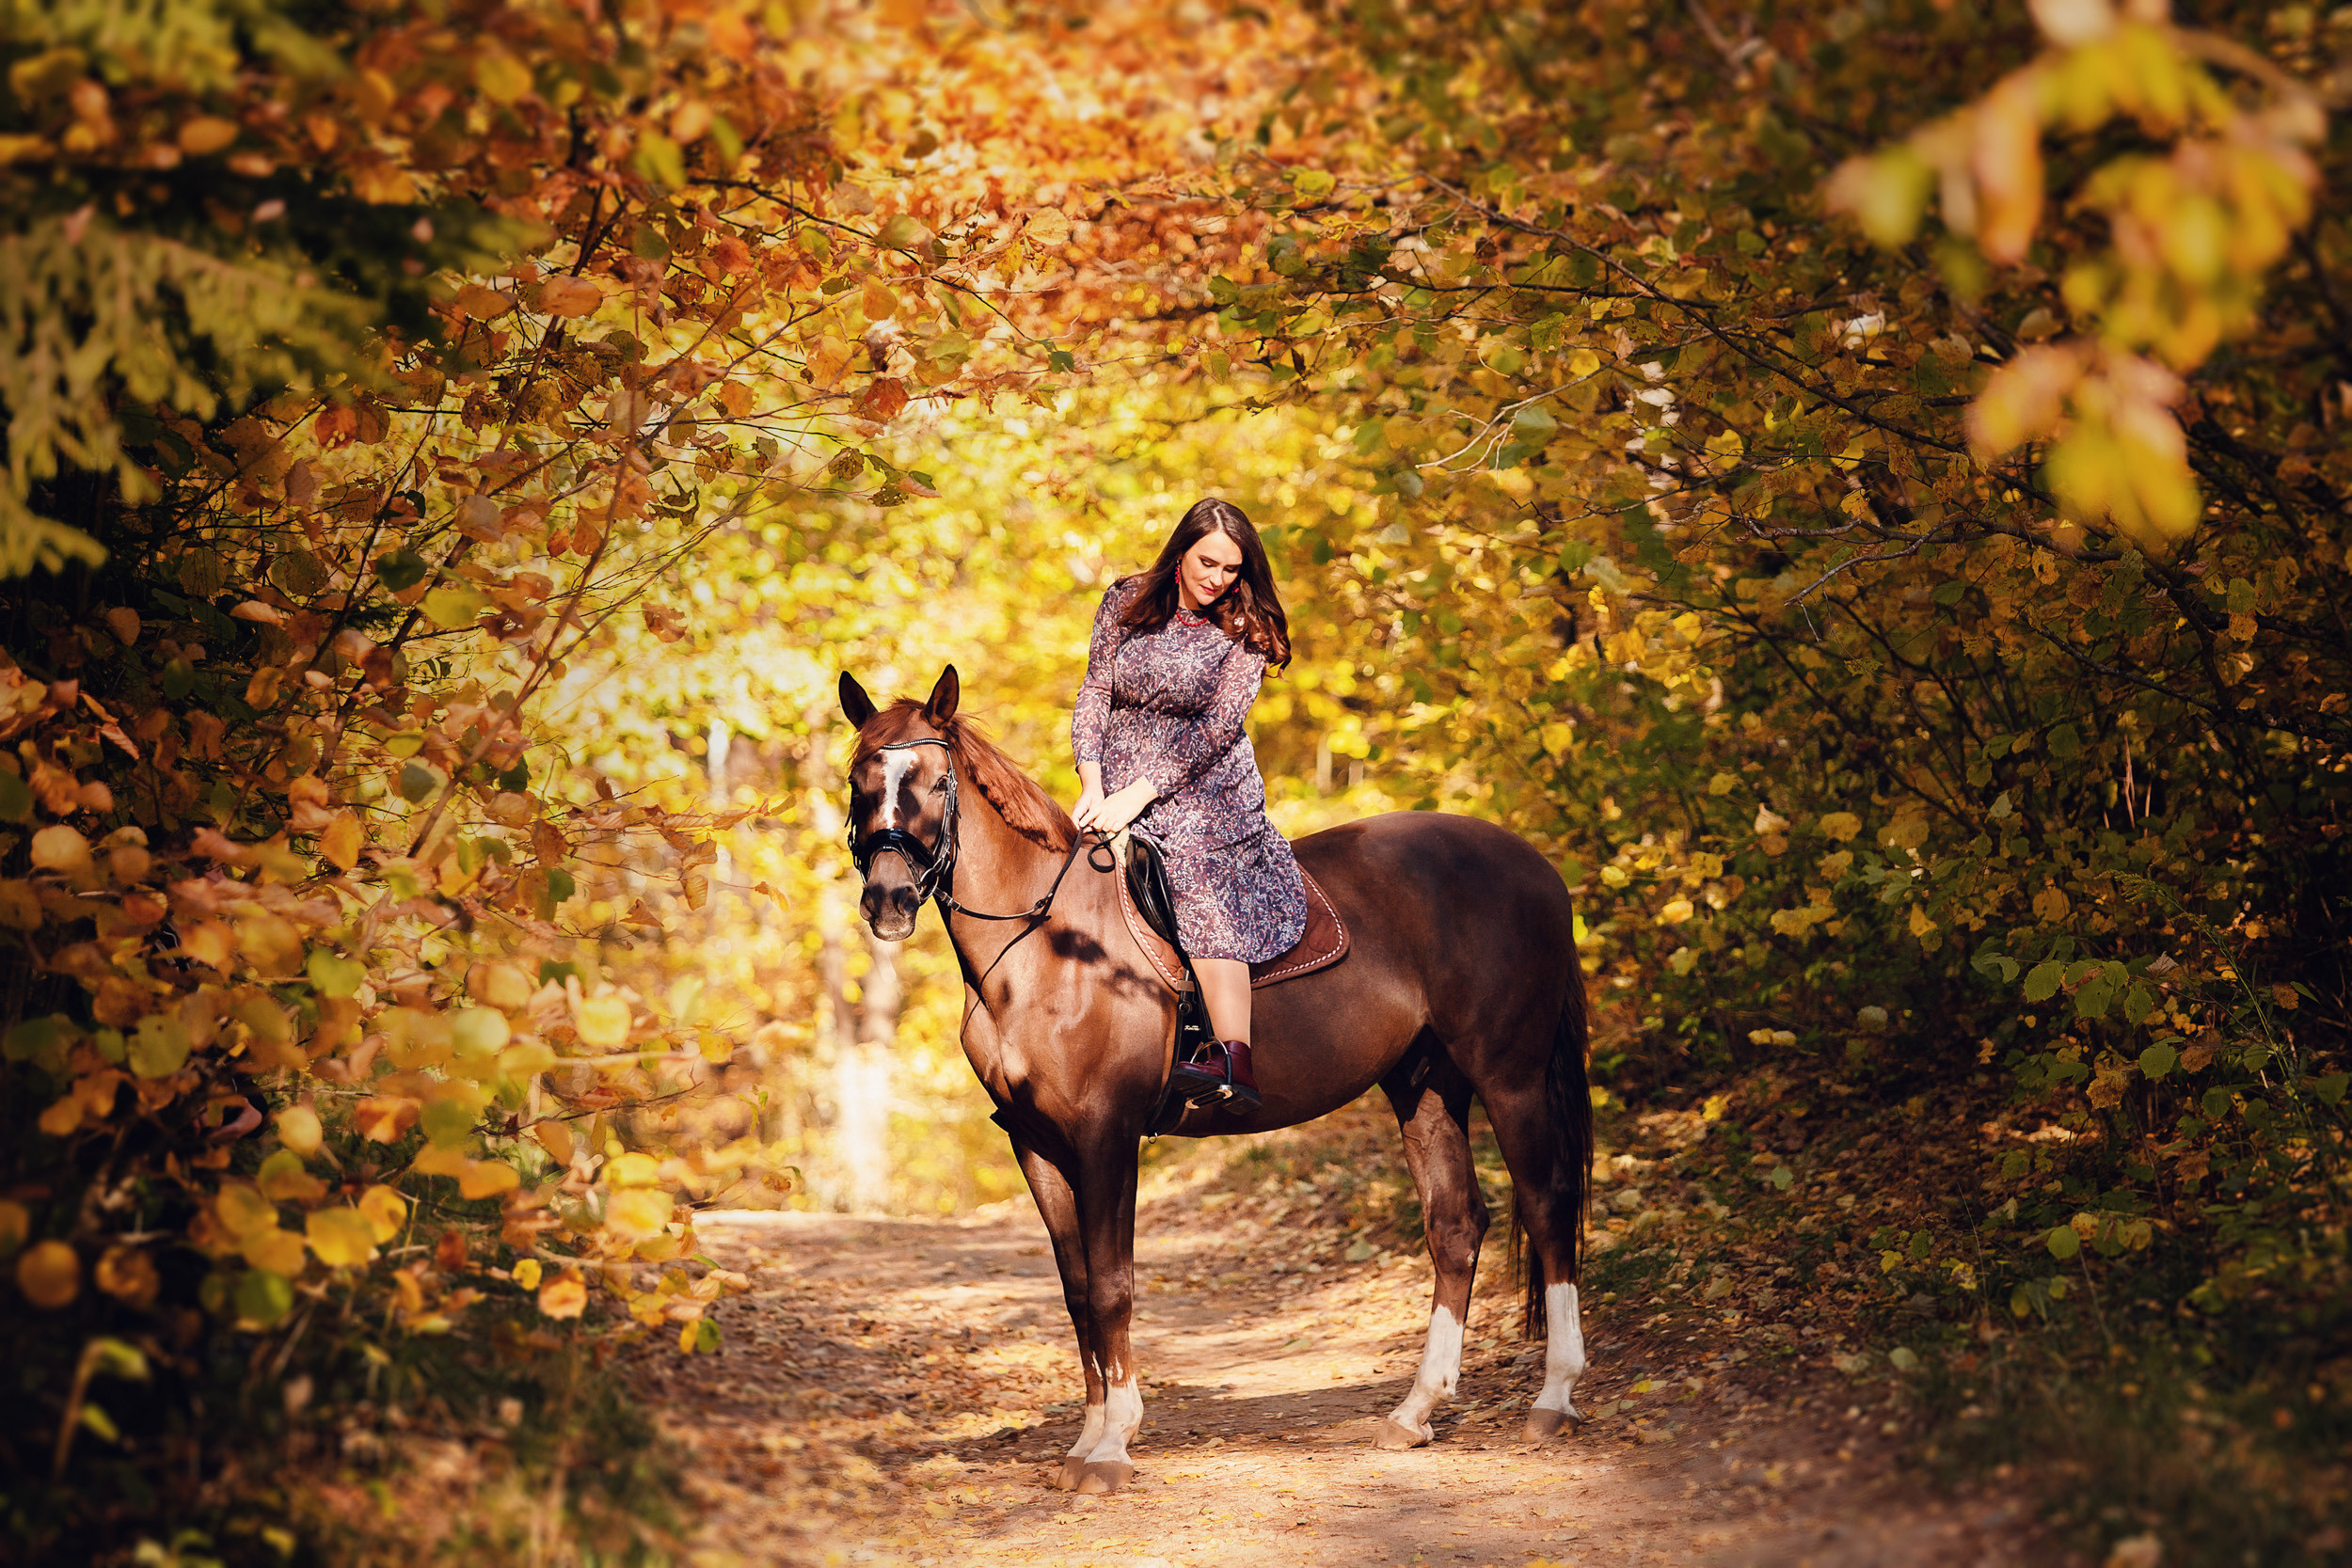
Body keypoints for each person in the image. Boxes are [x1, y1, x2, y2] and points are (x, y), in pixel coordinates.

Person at [1071, 498, 1308, 1111]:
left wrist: (1138, 796)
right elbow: (1096, 689)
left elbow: (1216, 729)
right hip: (1115, 782)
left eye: (1231, 569)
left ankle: (1234, 1054)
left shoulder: (1245, 628)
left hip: (1206, 785)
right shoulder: (1123, 599)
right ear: (1181, 551)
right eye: (1207, 562)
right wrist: (1092, 783)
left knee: (1193, 866)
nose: (1216, 578)